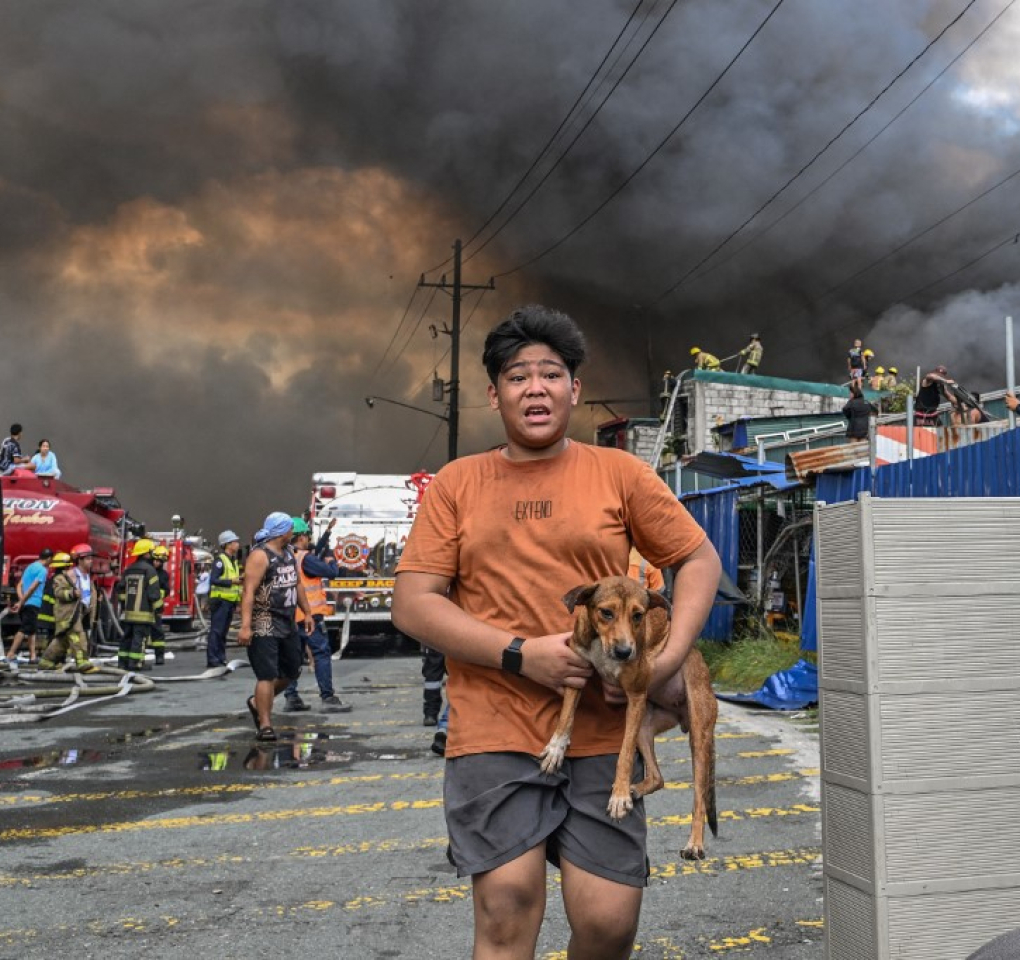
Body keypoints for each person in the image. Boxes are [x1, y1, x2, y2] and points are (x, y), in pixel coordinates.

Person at [393, 304, 721, 960]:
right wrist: (521, 655)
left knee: (608, 924)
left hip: (604, 735)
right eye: (518, 377)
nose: (535, 388)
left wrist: (666, 660)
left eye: (551, 374)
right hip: (495, 724)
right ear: (495, 393)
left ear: (575, 388)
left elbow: (697, 559)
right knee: (507, 905)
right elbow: (413, 603)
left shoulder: (619, 473)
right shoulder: (458, 484)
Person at [240, 512, 313, 741]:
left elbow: (297, 584)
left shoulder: (289, 553)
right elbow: (248, 591)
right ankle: (265, 725)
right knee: (266, 675)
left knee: (292, 671)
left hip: (287, 621)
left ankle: (257, 702)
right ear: (282, 531)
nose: (294, 533)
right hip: (264, 622)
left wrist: (307, 612)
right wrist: (245, 626)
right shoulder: (260, 556)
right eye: (291, 529)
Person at [283, 517, 351, 713]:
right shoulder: (306, 559)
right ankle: (327, 697)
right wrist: (332, 560)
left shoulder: (284, 556)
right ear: (302, 536)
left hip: (289, 617)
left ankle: (291, 697)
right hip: (309, 617)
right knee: (321, 654)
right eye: (307, 536)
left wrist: (327, 534)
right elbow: (330, 572)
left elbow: (313, 552)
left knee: (292, 657)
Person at [39, 549, 97, 673]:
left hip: (80, 613)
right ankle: (82, 663)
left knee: (62, 640)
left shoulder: (86, 577)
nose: (91, 561)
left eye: (91, 558)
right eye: (88, 559)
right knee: (78, 636)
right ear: (79, 561)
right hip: (68, 614)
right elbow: (58, 593)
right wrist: (72, 593)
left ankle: (46, 661)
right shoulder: (64, 577)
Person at [117, 538, 161, 672]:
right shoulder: (150, 570)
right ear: (146, 554)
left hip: (129, 613)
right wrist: (158, 608)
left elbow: (121, 590)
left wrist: (126, 604)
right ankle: (135, 663)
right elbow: (154, 594)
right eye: (151, 551)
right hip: (143, 613)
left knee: (127, 637)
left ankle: (122, 662)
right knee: (139, 638)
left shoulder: (128, 570)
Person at [7, 548, 52, 662]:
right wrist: (22, 602)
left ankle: (33, 656)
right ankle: (11, 653)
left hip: (26, 603)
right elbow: (33, 587)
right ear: (49, 559)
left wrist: (21, 600)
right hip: (34, 603)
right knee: (24, 629)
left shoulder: (30, 567)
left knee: (32, 630)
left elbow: (19, 585)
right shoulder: (43, 570)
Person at [206, 530, 242, 668]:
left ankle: (220, 657)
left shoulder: (232, 560)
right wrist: (232, 581)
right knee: (216, 630)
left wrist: (237, 601)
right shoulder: (220, 560)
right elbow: (214, 580)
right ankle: (213, 659)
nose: (237, 544)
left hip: (229, 602)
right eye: (235, 542)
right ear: (227, 544)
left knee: (223, 631)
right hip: (220, 601)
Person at [148, 544, 171, 665]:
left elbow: (166, 590)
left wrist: (157, 594)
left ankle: (159, 656)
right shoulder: (147, 571)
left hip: (156, 608)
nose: (157, 563)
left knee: (157, 632)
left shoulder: (163, 575)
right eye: (156, 560)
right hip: (144, 607)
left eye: (160, 561)